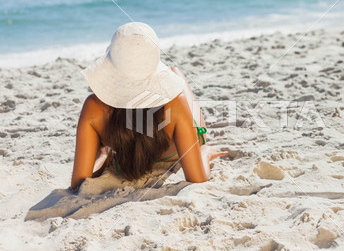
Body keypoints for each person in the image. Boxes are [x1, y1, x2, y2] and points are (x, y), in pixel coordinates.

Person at [70, 22, 227, 191]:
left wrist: (102, 157)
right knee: (176, 73)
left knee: (174, 76)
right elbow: (197, 178)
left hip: (125, 155)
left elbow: (79, 184)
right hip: (172, 152)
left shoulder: (93, 107)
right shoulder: (175, 102)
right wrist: (204, 153)